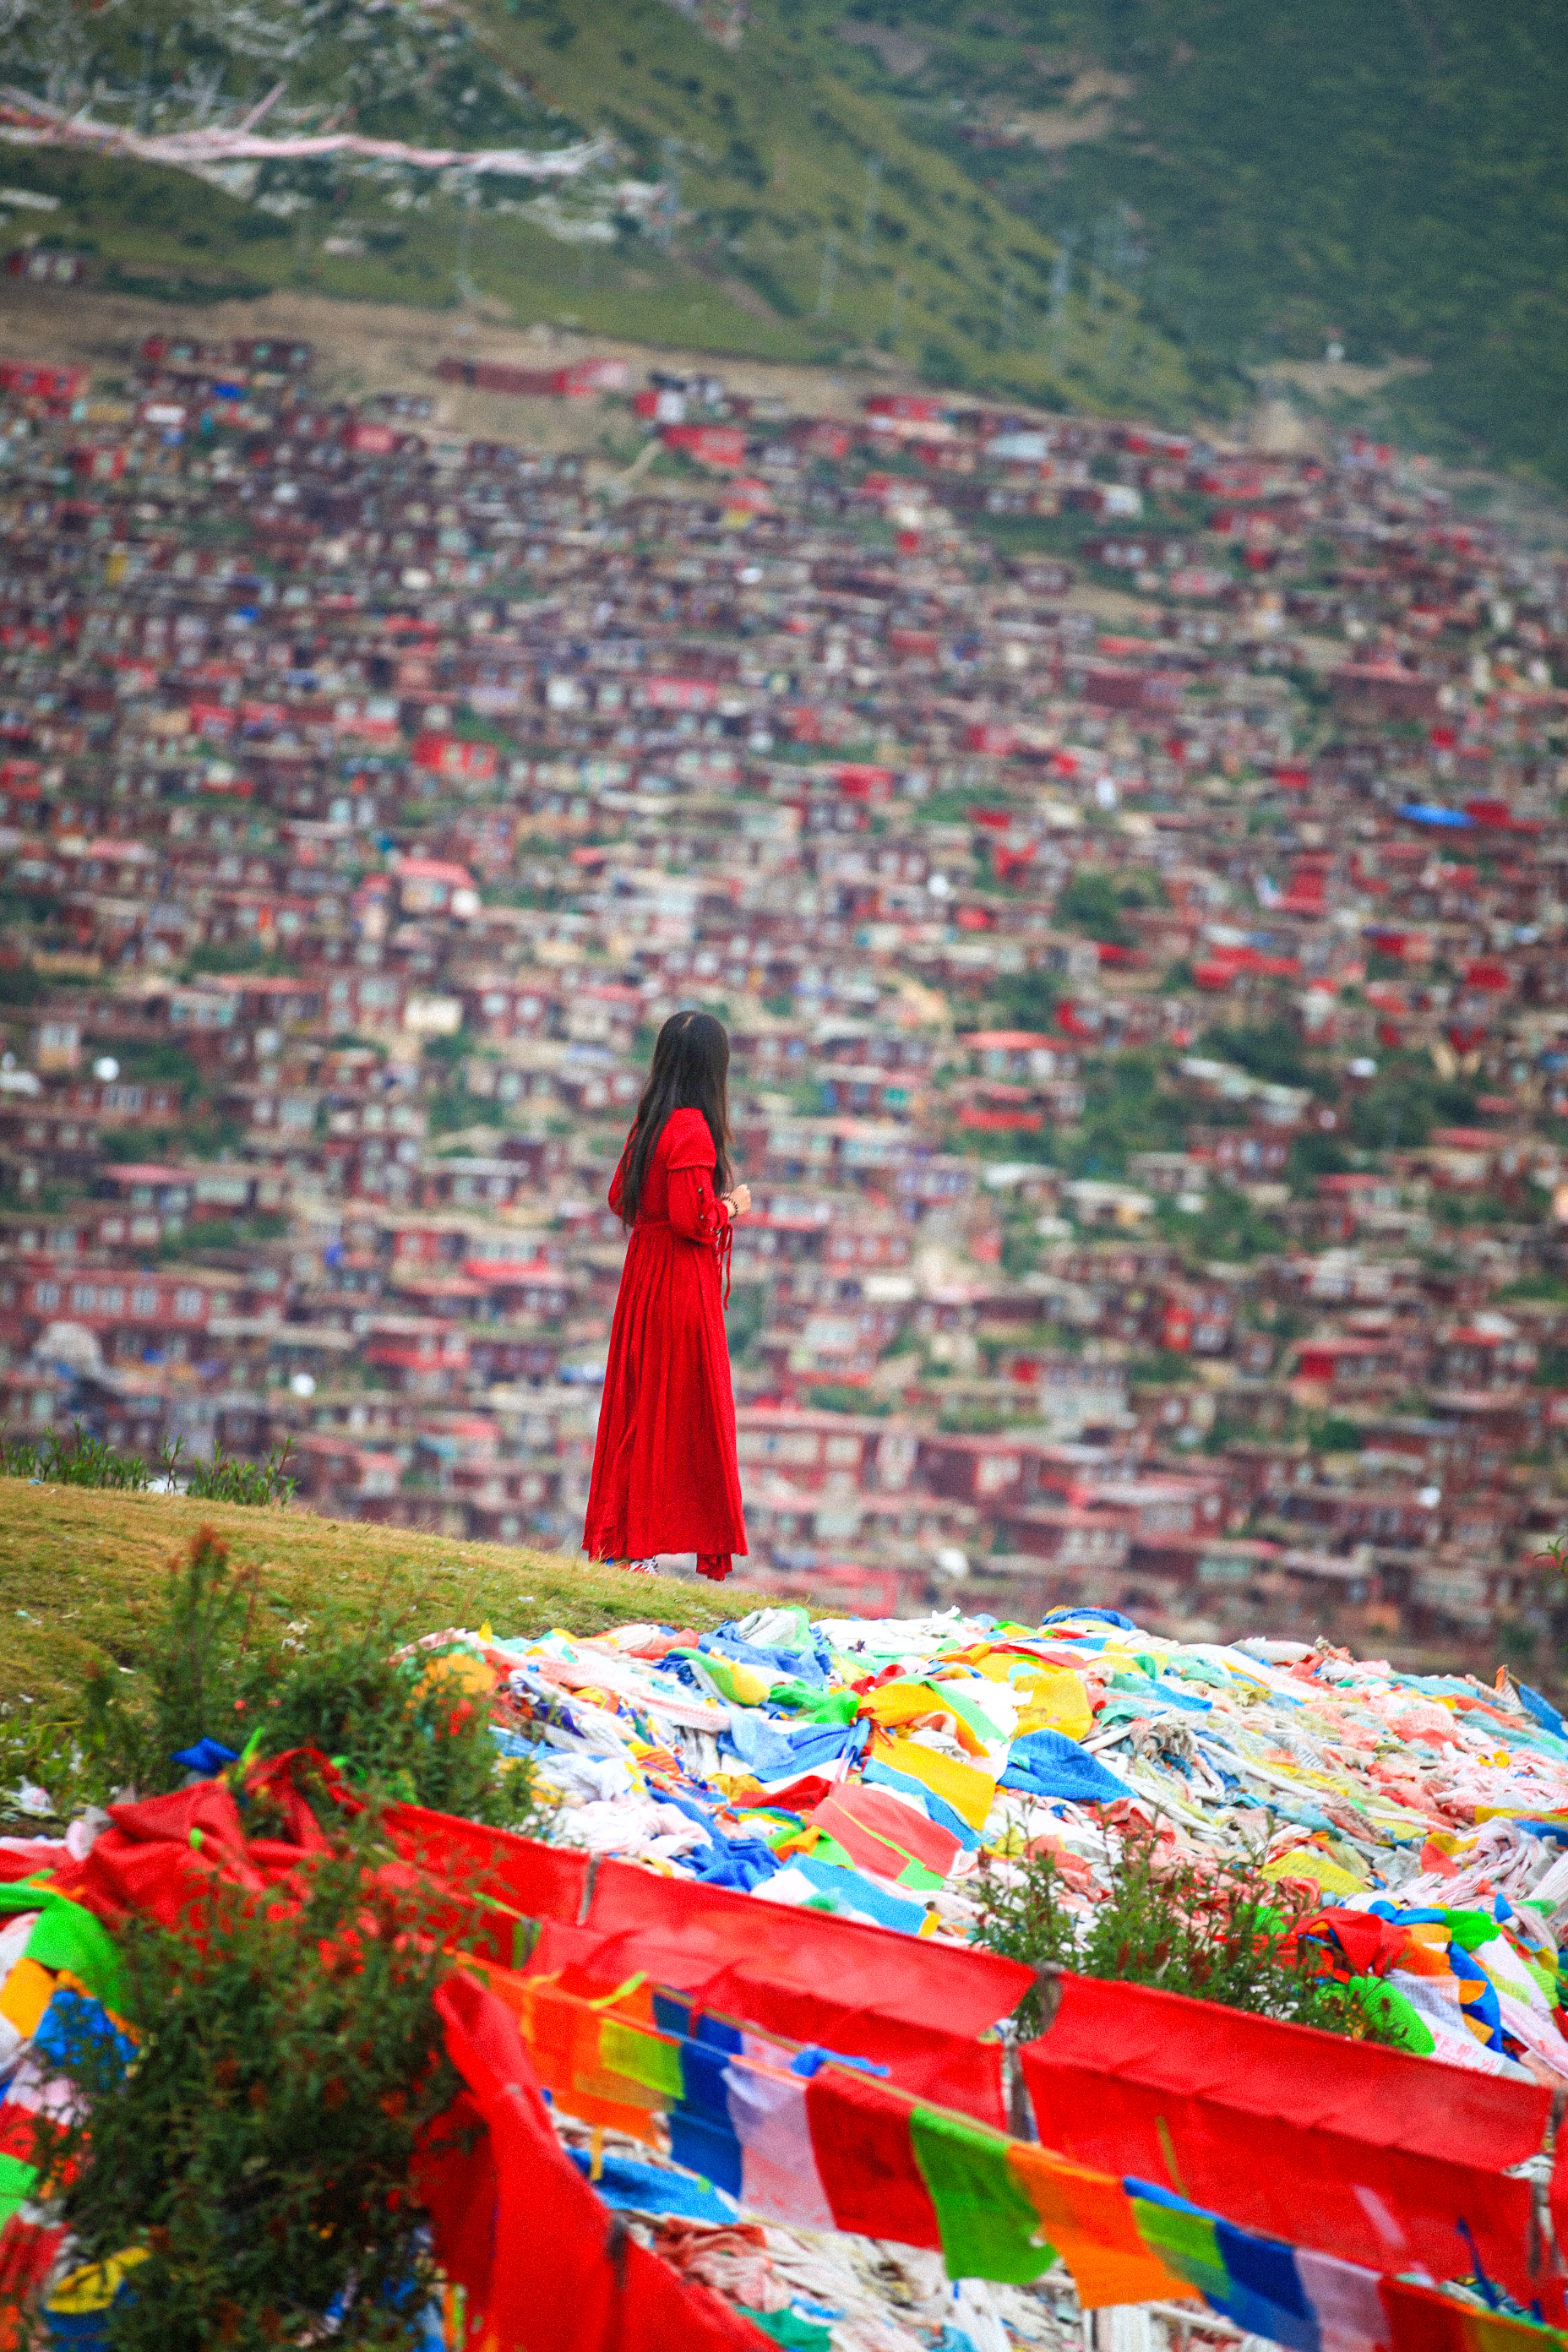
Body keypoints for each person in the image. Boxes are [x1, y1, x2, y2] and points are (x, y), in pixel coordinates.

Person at [584, 1009, 749, 1581]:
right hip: (681, 1284)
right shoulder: (691, 1129)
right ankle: (641, 1547)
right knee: (678, 1411)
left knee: (639, 1404)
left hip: (643, 1279)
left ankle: (625, 1541)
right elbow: (693, 1219)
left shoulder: (649, 1125)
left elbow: (618, 1199)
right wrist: (732, 1206)